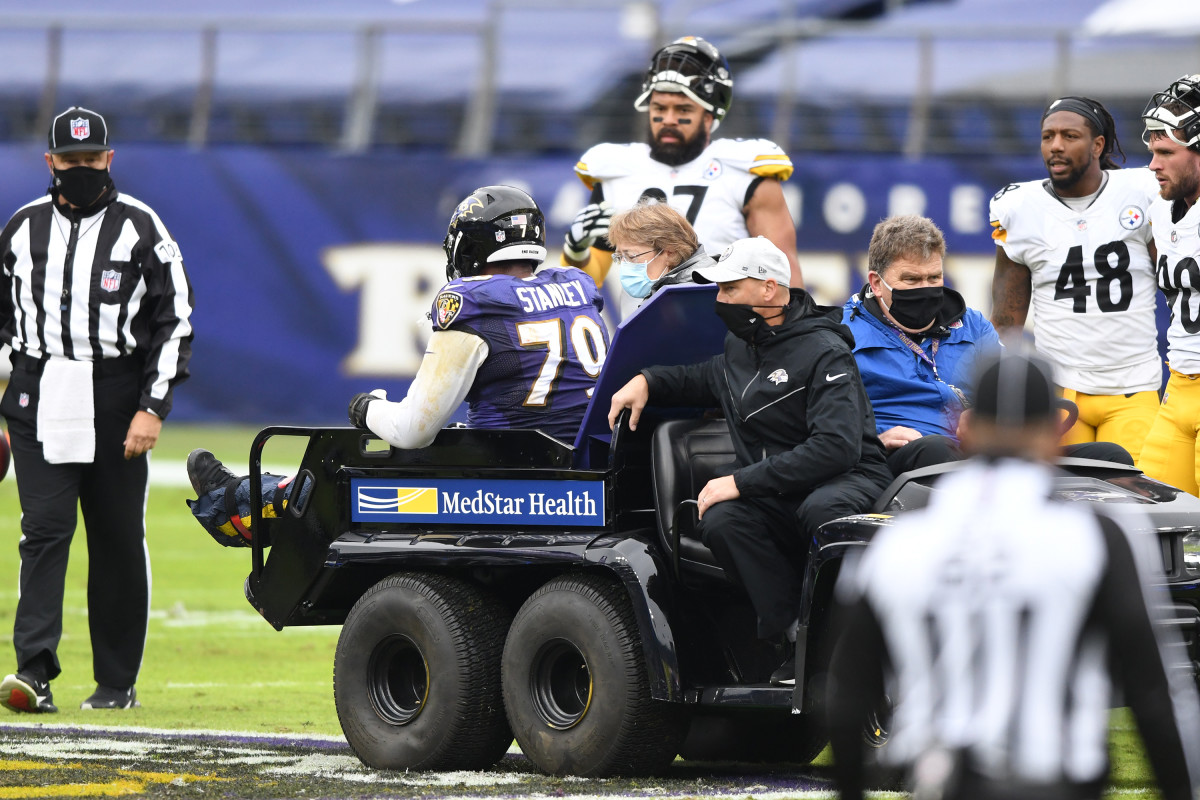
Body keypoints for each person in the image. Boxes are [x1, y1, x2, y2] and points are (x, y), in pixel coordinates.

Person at [826, 351, 1200, 800]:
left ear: (966, 429)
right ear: (1052, 434)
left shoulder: (897, 543)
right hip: (1055, 780)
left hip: (942, 781)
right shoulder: (1092, 536)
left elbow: (846, 697)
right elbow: (1153, 693)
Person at [187, 186, 610, 545]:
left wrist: (366, 408)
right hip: (589, 472)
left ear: (473, 246)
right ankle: (243, 497)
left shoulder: (475, 302)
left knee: (349, 467)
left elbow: (414, 429)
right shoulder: (575, 285)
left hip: (510, 482)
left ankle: (236, 507)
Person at [607, 236, 891, 685]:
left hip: (847, 477)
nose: (720, 300)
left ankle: (846, 642)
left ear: (768, 289)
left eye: (729, 289)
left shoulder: (824, 349)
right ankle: (792, 637)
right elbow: (703, 377)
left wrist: (740, 480)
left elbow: (836, 448)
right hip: (781, 487)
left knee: (821, 512)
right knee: (721, 519)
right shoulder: (741, 345)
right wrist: (647, 380)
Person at [0, 106, 195, 713]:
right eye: (70, 160)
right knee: (45, 530)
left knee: (114, 537)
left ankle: (116, 682)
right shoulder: (20, 229)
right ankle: (34, 670)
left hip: (113, 394)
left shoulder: (142, 227)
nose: (81, 169)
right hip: (37, 390)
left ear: (108, 159)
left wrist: (152, 407)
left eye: (91, 159)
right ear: (50, 162)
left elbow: (175, 320)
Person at [563, 36, 801, 318]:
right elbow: (588, 282)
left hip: (730, 339)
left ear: (710, 116)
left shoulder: (746, 173)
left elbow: (783, 273)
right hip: (644, 335)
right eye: (659, 108)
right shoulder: (617, 172)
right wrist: (576, 254)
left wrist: (790, 338)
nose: (669, 119)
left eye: (683, 109)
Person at [990, 96, 1161, 463]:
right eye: (1048, 136)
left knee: (1137, 504)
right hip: (1058, 391)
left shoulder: (1144, 192)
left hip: (1133, 387)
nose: (1056, 145)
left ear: (1097, 144)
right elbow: (1006, 321)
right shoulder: (1018, 208)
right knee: (1062, 502)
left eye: (1069, 136)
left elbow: (1177, 290)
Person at [843, 215, 1000, 475]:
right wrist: (872, 440)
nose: (925, 288)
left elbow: (1009, 394)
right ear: (876, 283)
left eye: (934, 277)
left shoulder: (975, 326)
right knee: (936, 449)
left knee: (1090, 456)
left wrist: (989, 417)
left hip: (979, 453)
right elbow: (819, 421)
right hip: (898, 458)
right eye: (912, 280)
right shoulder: (842, 335)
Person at [1138, 74, 1200, 496]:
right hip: (1178, 385)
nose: (1153, 164)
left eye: (1165, 152)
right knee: (1152, 519)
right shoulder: (1164, 207)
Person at [606, 200, 716, 305]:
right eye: (620, 257)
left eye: (631, 256)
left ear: (670, 252)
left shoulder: (701, 294)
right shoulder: (668, 295)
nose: (625, 265)